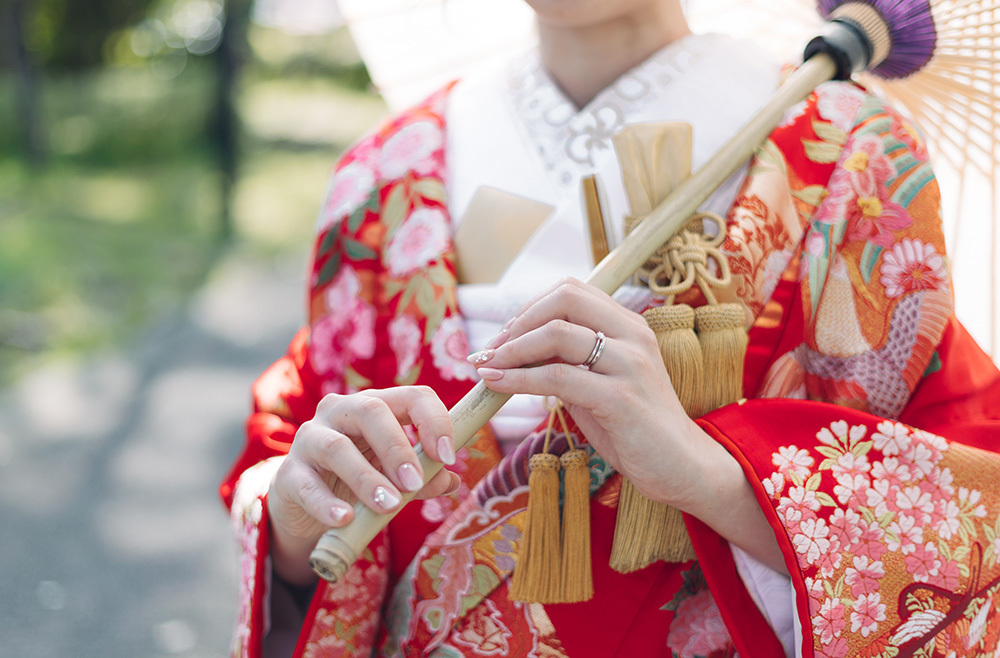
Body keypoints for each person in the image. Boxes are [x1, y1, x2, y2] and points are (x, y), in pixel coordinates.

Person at [220, 0, 1000, 656]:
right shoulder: (386, 172)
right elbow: (295, 445)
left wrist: (716, 480)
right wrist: (296, 519)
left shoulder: (850, 154)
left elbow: (971, 512)